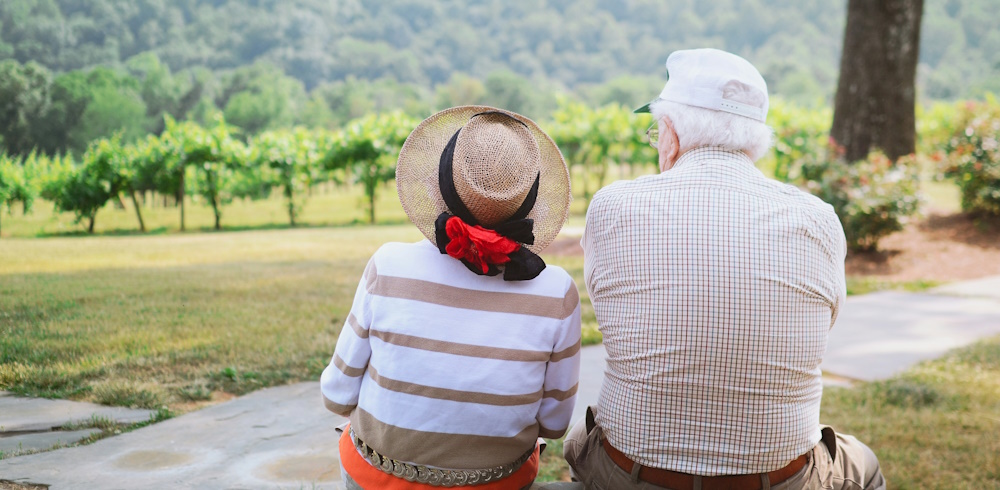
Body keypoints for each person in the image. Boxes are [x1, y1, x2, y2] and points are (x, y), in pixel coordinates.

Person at [564, 49, 886, 490]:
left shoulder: (612, 206)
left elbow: (612, 314)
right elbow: (823, 323)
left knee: (581, 438)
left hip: (634, 474)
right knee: (863, 462)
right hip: (781, 478)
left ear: (671, 133)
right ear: (755, 139)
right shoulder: (820, 219)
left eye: (655, 132)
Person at [321, 106, 582, 489]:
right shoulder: (557, 291)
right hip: (498, 482)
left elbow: (337, 394)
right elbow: (555, 424)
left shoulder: (389, 264)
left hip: (377, 478)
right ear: (528, 202)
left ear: (439, 186)